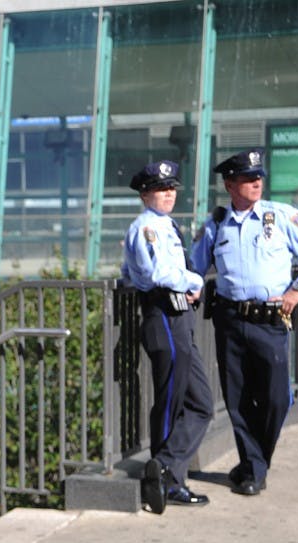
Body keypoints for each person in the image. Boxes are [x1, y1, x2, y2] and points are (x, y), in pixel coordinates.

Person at [191, 148, 298, 496]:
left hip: (271, 321)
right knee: (237, 399)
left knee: (276, 399)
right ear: (229, 184)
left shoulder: (282, 216)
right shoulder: (216, 224)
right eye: (248, 178)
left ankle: (254, 462)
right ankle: (254, 469)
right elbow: (193, 269)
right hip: (229, 319)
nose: (256, 183)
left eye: (259, 177)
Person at [121, 160, 213, 514]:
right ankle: (166, 480)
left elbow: (129, 272)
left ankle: (164, 467)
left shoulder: (163, 226)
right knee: (170, 403)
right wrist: (194, 281)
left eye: (172, 187)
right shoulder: (146, 227)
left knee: (201, 402)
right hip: (164, 315)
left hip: (178, 317)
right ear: (145, 194)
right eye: (161, 189)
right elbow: (159, 273)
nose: (169, 193)